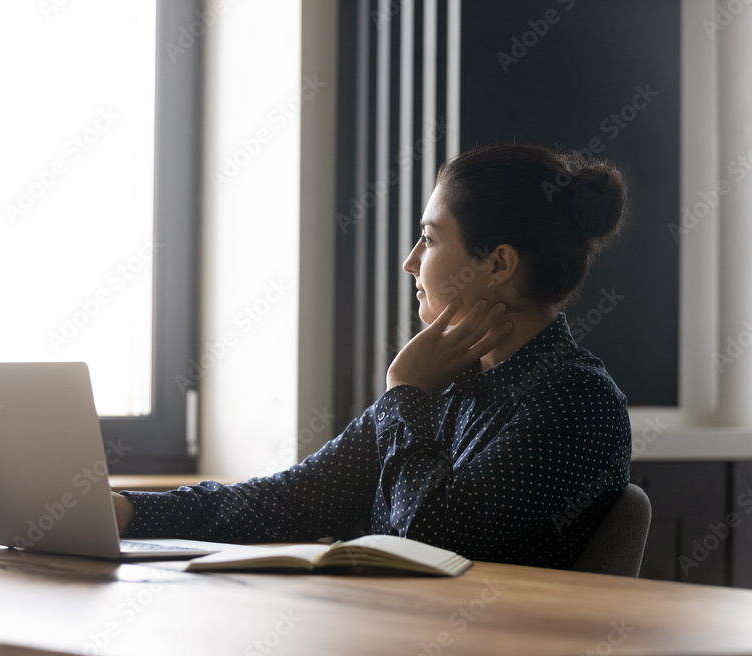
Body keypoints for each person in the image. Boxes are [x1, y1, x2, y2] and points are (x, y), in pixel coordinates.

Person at [111, 144, 632, 569]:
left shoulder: (576, 401)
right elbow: (290, 499)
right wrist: (127, 511)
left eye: (428, 239)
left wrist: (406, 391)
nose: (410, 263)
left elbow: (432, 541)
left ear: (497, 263)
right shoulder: (448, 383)